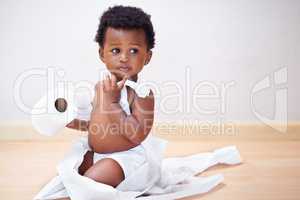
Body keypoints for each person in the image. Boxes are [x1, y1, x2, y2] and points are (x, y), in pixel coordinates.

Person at [66, 5, 155, 188]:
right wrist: (71, 120)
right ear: (102, 54)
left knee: (88, 182)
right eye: (116, 50)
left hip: (124, 158)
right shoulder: (101, 87)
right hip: (97, 153)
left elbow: (137, 135)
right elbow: (97, 123)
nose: (124, 58)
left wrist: (113, 103)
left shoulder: (142, 93)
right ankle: (87, 178)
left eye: (133, 51)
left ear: (147, 57)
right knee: (70, 169)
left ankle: (94, 182)